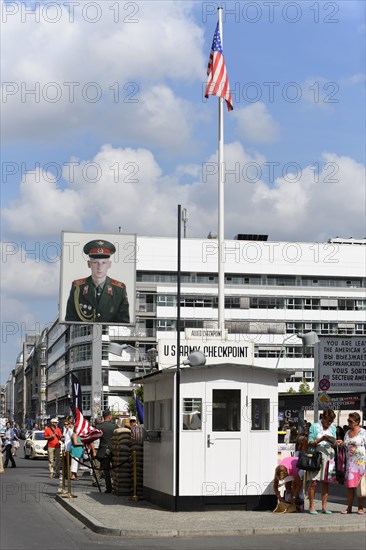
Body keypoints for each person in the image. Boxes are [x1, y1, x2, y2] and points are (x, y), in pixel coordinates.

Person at [65, 239, 130, 323]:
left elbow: (123, 324)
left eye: (103, 263)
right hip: (84, 335)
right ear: (89, 264)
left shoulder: (119, 289)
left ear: (109, 265)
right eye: (95, 262)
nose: (99, 267)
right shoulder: (77, 288)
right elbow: (70, 321)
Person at [307, 408, 337, 514]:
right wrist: (321, 439)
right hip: (317, 455)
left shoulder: (332, 428)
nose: (329, 423)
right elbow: (310, 442)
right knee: (314, 482)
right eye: (328, 420)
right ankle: (311, 506)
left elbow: (334, 443)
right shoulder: (315, 427)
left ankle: (324, 507)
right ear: (323, 418)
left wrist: (335, 441)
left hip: (329, 456)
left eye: (331, 421)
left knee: (326, 482)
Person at [338, 412, 366, 515]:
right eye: (348, 421)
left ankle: (360, 507)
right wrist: (341, 444)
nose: (348, 423)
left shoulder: (363, 432)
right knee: (350, 486)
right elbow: (345, 445)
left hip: (361, 462)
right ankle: (349, 507)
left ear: (357, 422)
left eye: (350, 421)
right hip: (350, 463)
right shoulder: (347, 432)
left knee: (360, 485)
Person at [94, 410, 116, 493]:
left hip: (103, 450)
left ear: (103, 417)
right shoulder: (115, 426)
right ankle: (116, 486)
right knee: (115, 469)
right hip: (114, 450)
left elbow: (93, 436)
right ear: (109, 416)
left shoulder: (99, 426)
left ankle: (108, 488)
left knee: (106, 470)